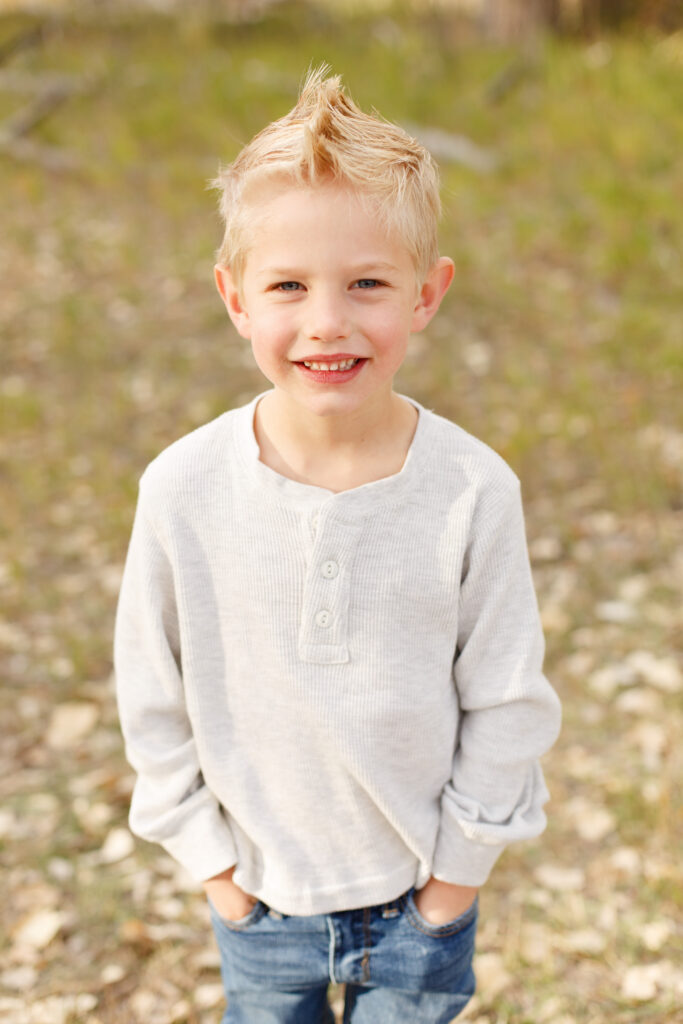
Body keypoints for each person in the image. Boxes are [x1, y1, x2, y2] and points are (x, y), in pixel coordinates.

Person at [114, 66, 561, 1024]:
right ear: (236, 299)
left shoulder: (471, 490)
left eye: (366, 283)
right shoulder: (185, 490)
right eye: (288, 286)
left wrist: (454, 879)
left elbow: (507, 697)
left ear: (425, 294)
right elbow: (153, 695)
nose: (327, 321)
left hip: (419, 903)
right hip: (260, 899)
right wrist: (216, 871)